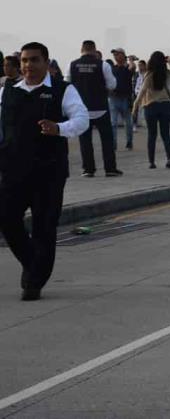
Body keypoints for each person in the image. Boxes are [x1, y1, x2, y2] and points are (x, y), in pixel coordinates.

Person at [0, 42, 89, 300]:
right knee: (7, 219)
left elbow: (81, 120)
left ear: (47, 62)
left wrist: (59, 128)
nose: (29, 65)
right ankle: (33, 263)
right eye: (25, 60)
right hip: (13, 170)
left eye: (34, 60)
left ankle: (33, 282)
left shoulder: (63, 90)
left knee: (44, 227)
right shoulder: (8, 92)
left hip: (48, 172)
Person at [69, 40, 119, 178]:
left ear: (82, 49)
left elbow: (68, 85)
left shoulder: (72, 65)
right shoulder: (103, 65)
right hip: (101, 107)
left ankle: (88, 169)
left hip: (81, 110)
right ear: (94, 50)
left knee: (85, 141)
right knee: (106, 140)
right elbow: (112, 84)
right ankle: (110, 168)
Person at [132, 51, 170, 169]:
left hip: (151, 106)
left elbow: (142, 91)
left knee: (152, 135)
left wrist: (135, 106)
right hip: (165, 106)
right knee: (165, 134)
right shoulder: (167, 73)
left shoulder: (149, 74)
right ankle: (169, 159)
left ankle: (151, 162)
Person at [108, 49, 135, 151]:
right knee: (113, 123)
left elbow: (133, 68)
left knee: (128, 123)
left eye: (118, 54)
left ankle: (129, 142)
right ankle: (113, 145)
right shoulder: (112, 68)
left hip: (125, 98)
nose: (115, 56)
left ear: (123, 56)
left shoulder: (128, 67)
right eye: (114, 54)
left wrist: (131, 60)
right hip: (114, 98)